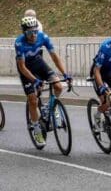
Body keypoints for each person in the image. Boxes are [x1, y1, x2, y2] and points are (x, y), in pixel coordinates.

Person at [14, 16, 72, 147]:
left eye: (35, 31)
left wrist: (65, 74)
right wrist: (35, 81)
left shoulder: (43, 37)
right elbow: (22, 67)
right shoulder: (19, 42)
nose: (33, 35)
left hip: (38, 63)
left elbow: (55, 57)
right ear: (24, 32)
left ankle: (49, 107)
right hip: (26, 69)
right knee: (33, 99)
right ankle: (36, 128)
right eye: (29, 33)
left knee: (58, 86)